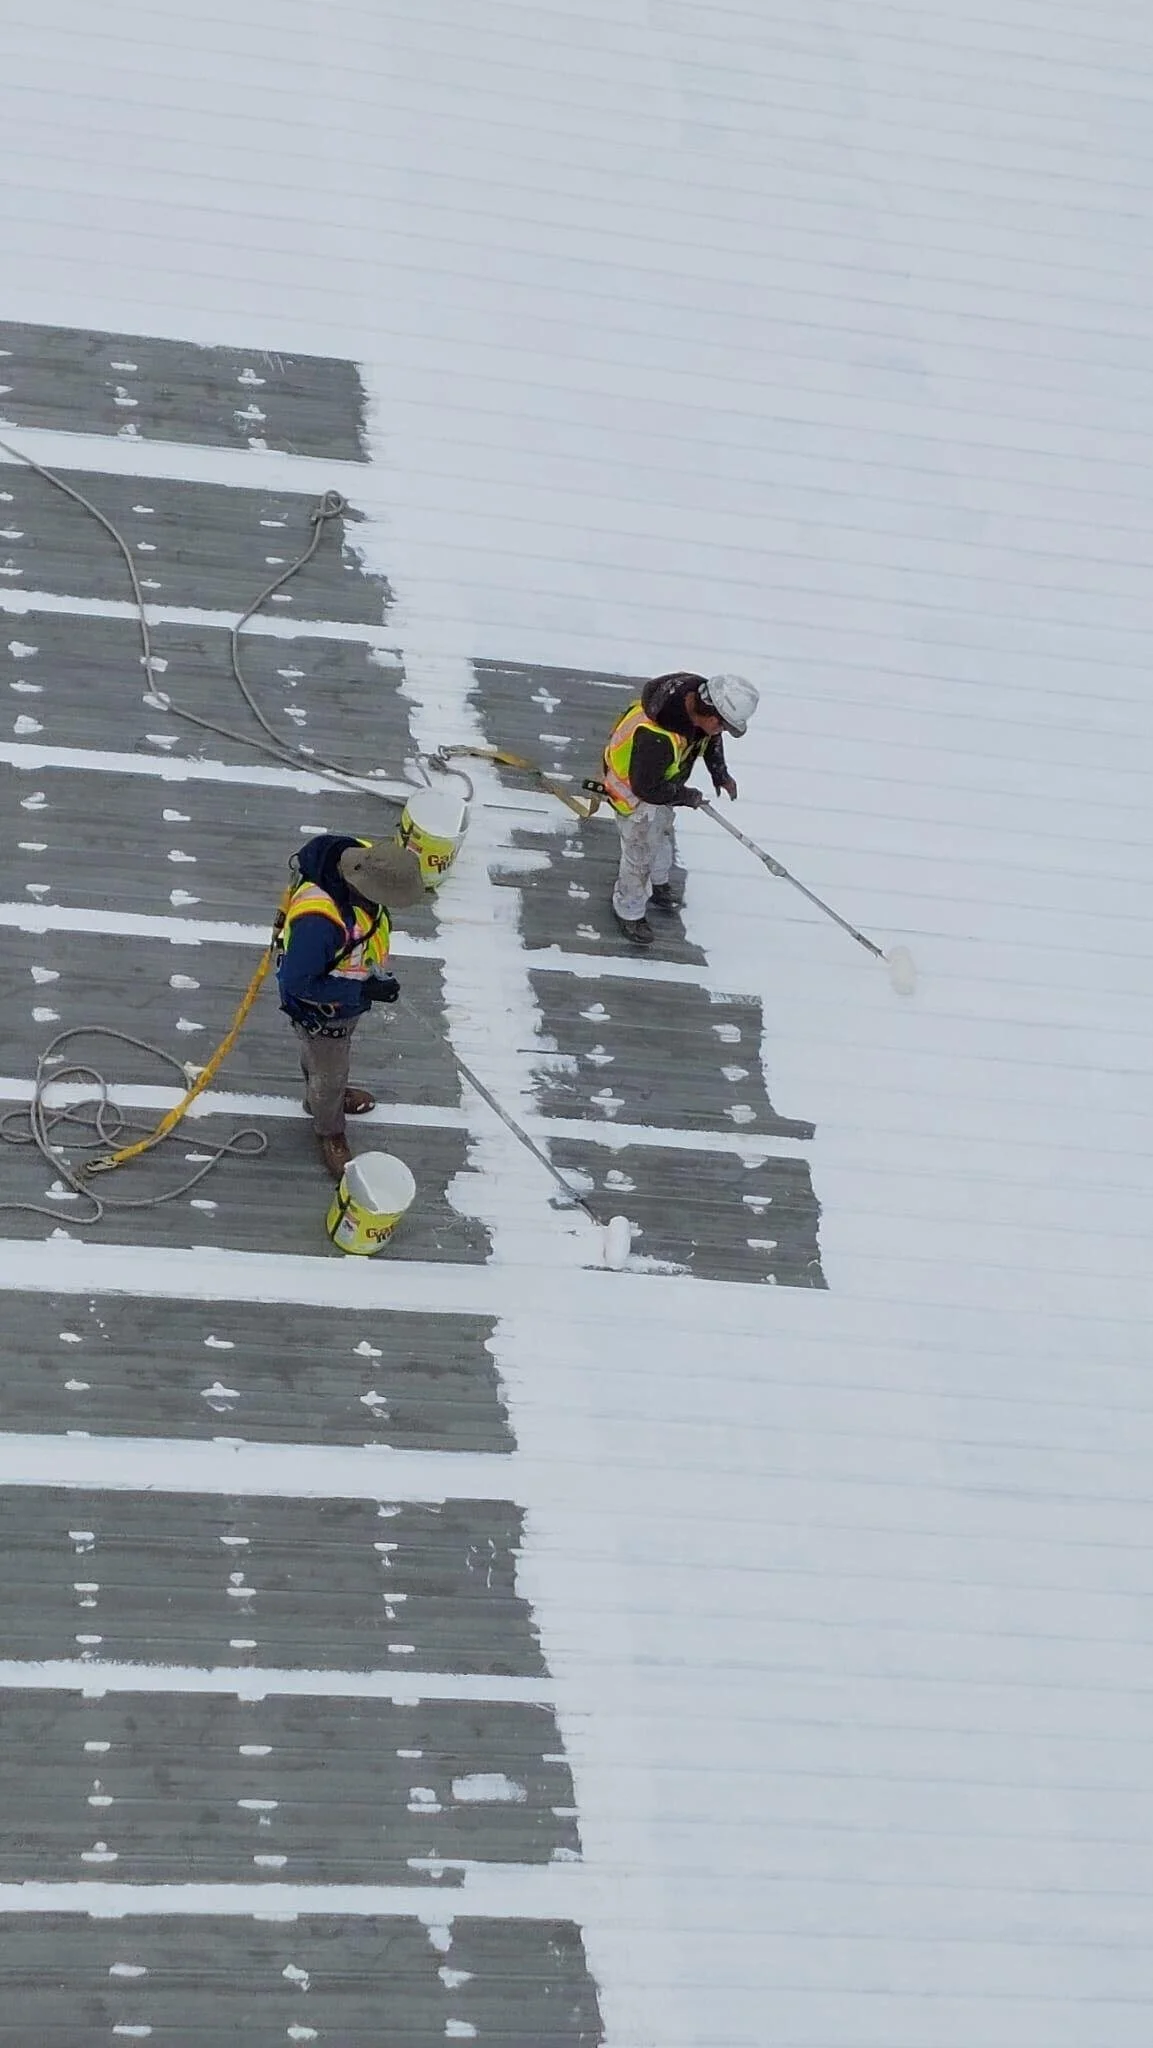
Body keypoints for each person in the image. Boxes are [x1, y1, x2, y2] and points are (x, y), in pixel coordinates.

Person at [275, 832, 425, 1179]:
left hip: (344, 998)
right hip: (321, 1008)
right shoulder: (319, 923)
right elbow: (298, 981)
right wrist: (361, 993)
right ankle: (329, 1128)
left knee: (322, 1061)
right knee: (329, 1071)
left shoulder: (364, 857)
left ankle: (320, 1097)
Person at [601, 671, 760, 945]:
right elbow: (647, 789)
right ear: (711, 717)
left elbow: (709, 739)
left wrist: (719, 772)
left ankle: (659, 881)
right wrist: (688, 796)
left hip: (662, 788)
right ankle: (629, 910)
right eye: (722, 726)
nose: (721, 732)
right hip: (634, 796)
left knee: (661, 835)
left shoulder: (695, 703)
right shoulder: (657, 738)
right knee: (639, 854)